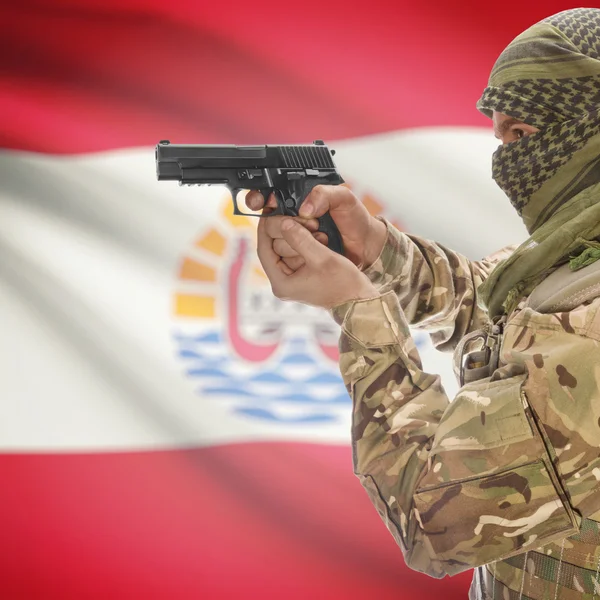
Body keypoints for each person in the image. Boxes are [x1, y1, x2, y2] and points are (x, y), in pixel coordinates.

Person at [246, 8, 600, 599]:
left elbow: (435, 522)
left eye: (523, 135)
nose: (505, 161)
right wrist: (376, 250)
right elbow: (498, 309)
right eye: (499, 136)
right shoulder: (577, 254)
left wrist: (358, 309)